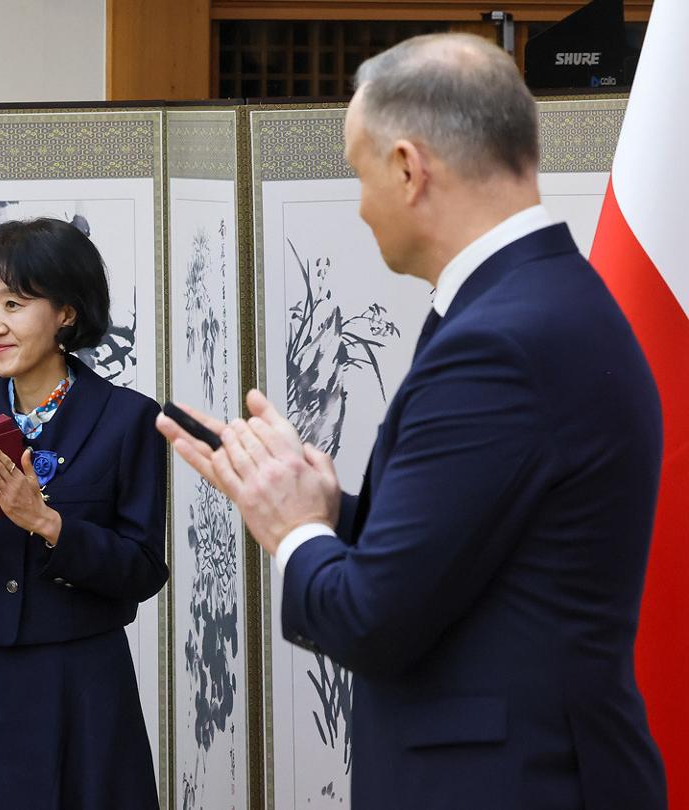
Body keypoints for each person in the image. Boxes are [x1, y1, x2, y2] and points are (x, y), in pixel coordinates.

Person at [158, 33, 666, 810]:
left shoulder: (500, 341)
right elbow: (470, 551)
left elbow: (371, 619)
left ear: (406, 167)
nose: (360, 205)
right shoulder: (544, 303)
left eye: (358, 174)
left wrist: (292, 529)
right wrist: (328, 508)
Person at [0, 216, 167, 808]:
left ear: (67, 312)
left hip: (84, 684)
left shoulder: (127, 418)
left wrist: (48, 523)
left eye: (15, 304)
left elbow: (145, 568)